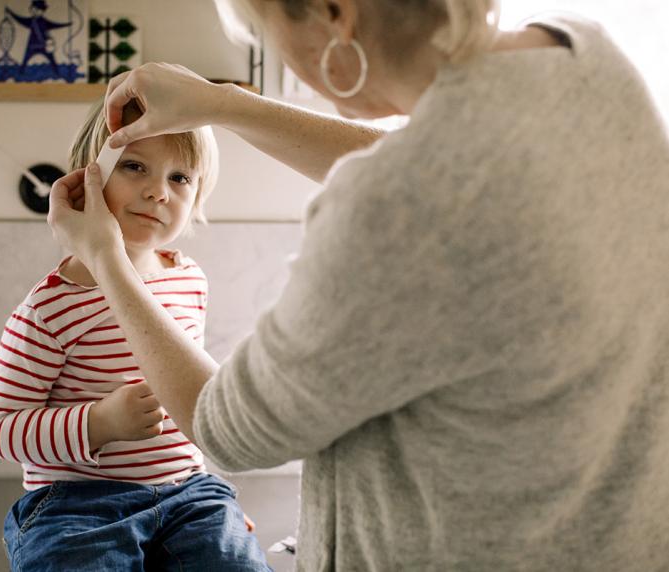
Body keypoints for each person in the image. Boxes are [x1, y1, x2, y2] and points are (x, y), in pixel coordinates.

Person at [47, 0, 669, 569]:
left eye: (263, 30)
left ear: (334, 14)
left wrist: (107, 260)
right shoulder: (589, 58)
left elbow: (228, 430)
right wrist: (227, 104)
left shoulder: (391, 212)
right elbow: (441, 163)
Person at [0, 100, 271, 571]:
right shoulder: (49, 307)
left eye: (180, 178)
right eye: (135, 166)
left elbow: (190, 404)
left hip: (187, 494)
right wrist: (100, 423)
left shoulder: (189, 280)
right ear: (85, 182)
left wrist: (216, 513)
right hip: (76, 505)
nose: (158, 191)